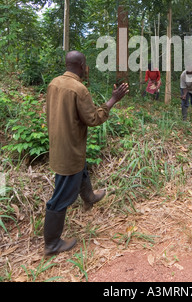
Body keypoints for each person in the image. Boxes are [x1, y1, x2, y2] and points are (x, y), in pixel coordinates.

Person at [44, 50, 129, 256]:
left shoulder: (54, 83)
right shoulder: (79, 89)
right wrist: (112, 100)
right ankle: (52, 243)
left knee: (81, 169)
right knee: (61, 197)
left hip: (59, 144)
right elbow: (93, 119)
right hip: (70, 150)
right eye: (86, 64)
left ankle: (89, 197)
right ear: (82, 65)